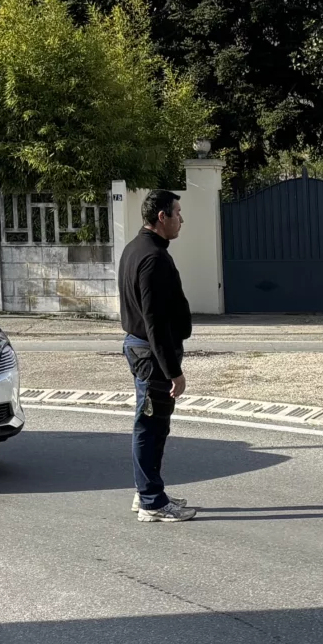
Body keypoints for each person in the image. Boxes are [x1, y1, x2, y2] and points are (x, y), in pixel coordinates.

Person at [117, 188, 197, 519]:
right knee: (149, 425)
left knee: (154, 425)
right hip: (151, 355)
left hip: (145, 350)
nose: (182, 219)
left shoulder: (136, 248)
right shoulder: (151, 257)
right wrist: (173, 369)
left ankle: (148, 491)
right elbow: (154, 321)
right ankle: (152, 501)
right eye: (177, 212)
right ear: (162, 217)